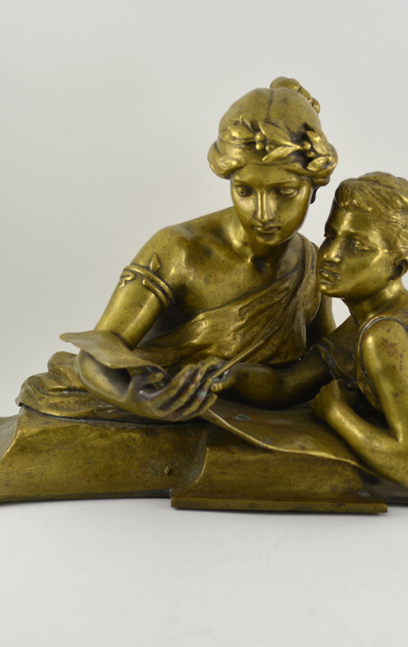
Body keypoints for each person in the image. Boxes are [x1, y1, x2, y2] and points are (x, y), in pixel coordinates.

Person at [17, 78, 338, 423]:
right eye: (245, 191)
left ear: (314, 187)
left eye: (284, 193)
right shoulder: (179, 249)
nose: (264, 214)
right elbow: (100, 349)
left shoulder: (310, 265)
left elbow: (325, 362)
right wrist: (141, 401)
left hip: (253, 416)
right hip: (154, 403)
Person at [204, 173, 408, 494]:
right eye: (330, 235)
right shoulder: (362, 323)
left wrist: (336, 413)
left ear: (397, 267)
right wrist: (230, 375)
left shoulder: (386, 336)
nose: (331, 254)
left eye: (357, 246)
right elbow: (285, 385)